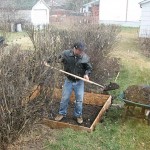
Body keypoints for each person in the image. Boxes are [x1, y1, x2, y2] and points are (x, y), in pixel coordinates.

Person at [54, 42, 92, 124]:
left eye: (82, 51)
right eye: (79, 50)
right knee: (64, 98)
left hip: (79, 82)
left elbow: (88, 68)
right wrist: (47, 61)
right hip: (69, 80)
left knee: (79, 100)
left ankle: (78, 115)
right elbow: (56, 58)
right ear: (74, 48)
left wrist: (86, 74)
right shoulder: (66, 54)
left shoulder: (84, 57)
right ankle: (61, 113)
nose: (81, 52)